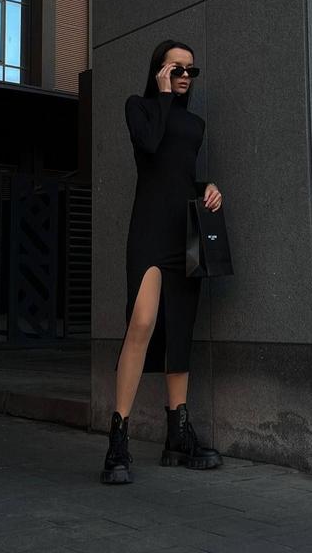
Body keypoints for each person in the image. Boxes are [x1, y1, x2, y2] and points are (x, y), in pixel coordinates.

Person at [100, 39, 224, 484]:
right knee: (142, 322)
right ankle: (119, 437)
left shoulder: (195, 124)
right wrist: (165, 96)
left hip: (185, 230)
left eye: (191, 70)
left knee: (181, 329)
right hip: (150, 230)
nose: (186, 76)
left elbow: (180, 175)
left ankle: (178, 434)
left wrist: (207, 188)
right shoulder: (139, 108)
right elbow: (150, 147)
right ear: (159, 71)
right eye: (176, 69)